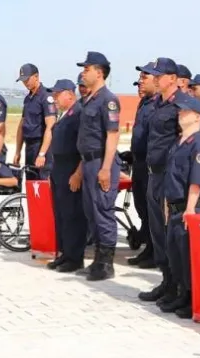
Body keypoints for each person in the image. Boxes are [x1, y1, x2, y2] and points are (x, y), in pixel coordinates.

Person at [137, 57, 188, 304]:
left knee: (171, 233)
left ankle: (179, 287)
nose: (154, 79)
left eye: (158, 76)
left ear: (172, 78)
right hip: (153, 174)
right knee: (157, 231)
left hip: (172, 177)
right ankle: (166, 281)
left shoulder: (184, 104)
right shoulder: (155, 104)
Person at [162, 96, 200, 317]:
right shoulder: (179, 143)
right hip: (175, 207)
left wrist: (190, 209)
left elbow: (196, 181)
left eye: (184, 112)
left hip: (191, 208)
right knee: (176, 255)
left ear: (196, 116)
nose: (179, 115)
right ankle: (181, 294)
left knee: (188, 257)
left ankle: (192, 298)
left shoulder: (199, 147)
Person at [75, 51, 122, 281]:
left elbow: (112, 135)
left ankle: (107, 263)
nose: (83, 73)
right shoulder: (88, 99)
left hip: (101, 162)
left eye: (87, 69)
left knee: (103, 211)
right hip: (88, 161)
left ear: (99, 72)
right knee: (91, 212)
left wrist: (105, 168)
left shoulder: (108, 99)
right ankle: (97, 259)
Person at [47, 78, 89, 273]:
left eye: (57, 95)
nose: (54, 98)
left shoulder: (79, 114)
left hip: (72, 168)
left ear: (70, 95)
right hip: (59, 169)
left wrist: (78, 173)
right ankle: (65, 252)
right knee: (61, 214)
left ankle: (75, 257)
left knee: (73, 215)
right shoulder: (64, 115)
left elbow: (83, 148)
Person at [127, 63, 158, 268]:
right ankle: (148, 246)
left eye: (144, 77)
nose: (140, 82)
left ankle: (155, 251)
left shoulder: (159, 103)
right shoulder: (144, 103)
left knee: (151, 209)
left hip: (150, 165)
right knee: (141, 207)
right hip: (138, 162)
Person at [14, 63, 56, 180]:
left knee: (42, 185)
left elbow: (50, 127)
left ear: (36, 77)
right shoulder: (28, 99)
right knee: (31, 185)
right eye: (23, 80)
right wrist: (18, 151)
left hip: (41, 146)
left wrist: (42, 154)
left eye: (27, 79)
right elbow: (23, 125)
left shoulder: (46, 97)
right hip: (30, 148)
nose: (25, 83)